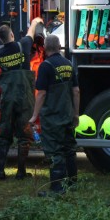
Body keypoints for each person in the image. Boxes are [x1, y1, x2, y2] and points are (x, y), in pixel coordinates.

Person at [28, 34, 80, 196]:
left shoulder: (45, 66)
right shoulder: (68, 64)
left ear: (44, 48)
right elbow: (76, 91)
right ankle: (72, 182)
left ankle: (57, 189)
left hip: (52, 117)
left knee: (55, 152)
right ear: (59, 47)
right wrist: (76, 115)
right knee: (69, 149)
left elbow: (41, 94)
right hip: (67, 115)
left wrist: (34, 115)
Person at [0, 17, 44, 179]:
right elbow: (30, 33)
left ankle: (0, 171)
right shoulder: (23, 45)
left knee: (5, 133)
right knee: (24, 134)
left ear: (1, 39)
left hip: (8, 97)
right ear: (12, 35)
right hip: (24, 96)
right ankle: (21, 171)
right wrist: (35, 22)